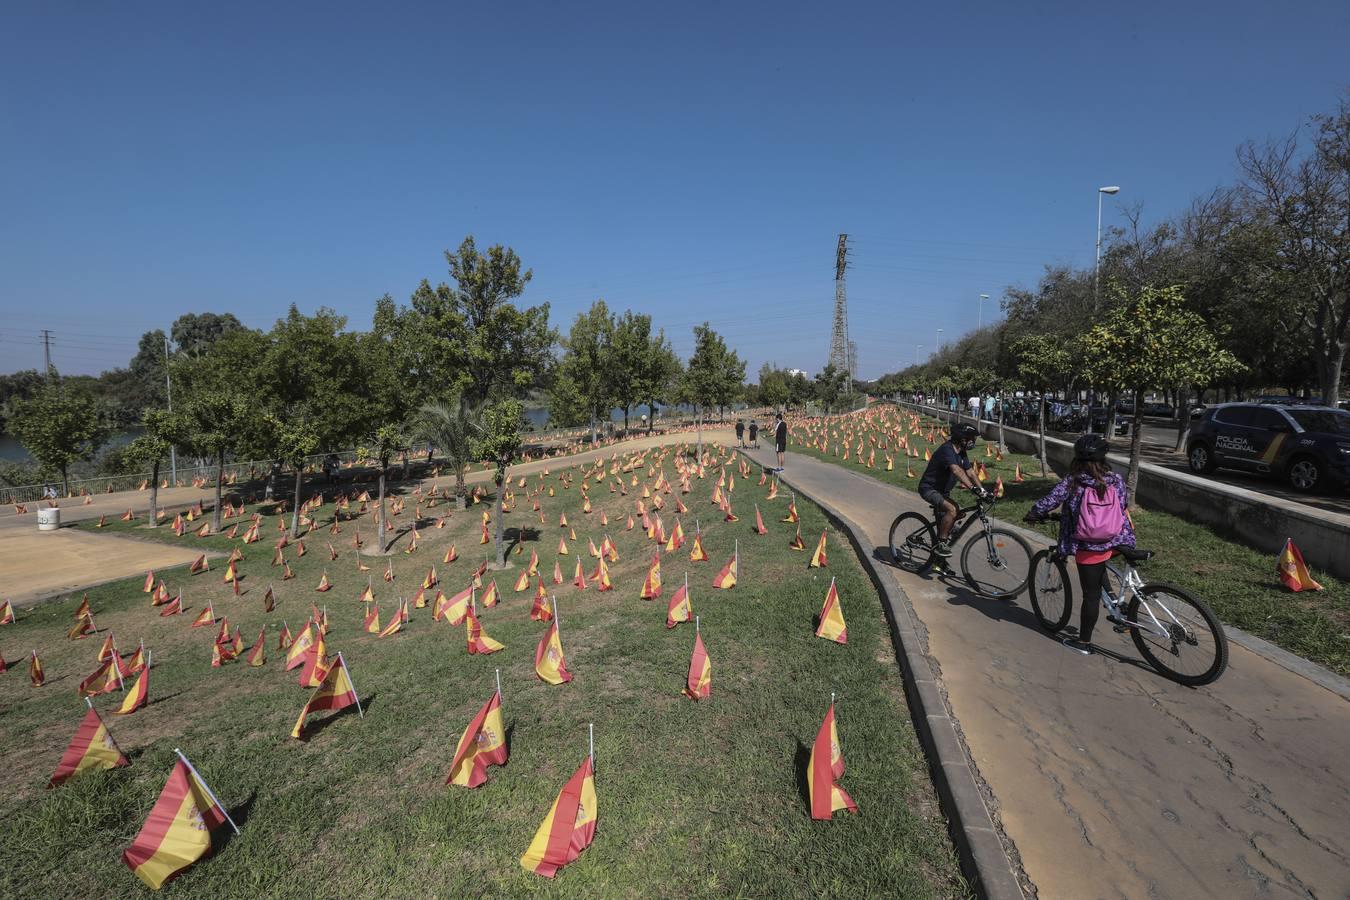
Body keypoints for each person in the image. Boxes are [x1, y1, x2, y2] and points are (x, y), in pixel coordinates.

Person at [1024, 434, 1135, 655]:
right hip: (1117, 539)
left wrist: (1033, 513)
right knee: (1099, 569)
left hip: (1089, 545)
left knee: (1090, 595)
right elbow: (1123, 504)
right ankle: (1114, 599)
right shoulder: (1116, 480)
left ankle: (1084, 643)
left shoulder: (1074, 481)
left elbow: (1050, 500)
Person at [917, 424, 989, 557]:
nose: (973, 442)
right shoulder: (947, 449)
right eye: (971, 439)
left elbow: (971, 472)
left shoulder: (961, 452)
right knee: (952, 510)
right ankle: (941, 544)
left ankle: (940, 551)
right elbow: (957, 470)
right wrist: (972, 488)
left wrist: (983, 490)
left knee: (959, 512)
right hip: (929, 488)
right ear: (962, 439)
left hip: (943, 492)